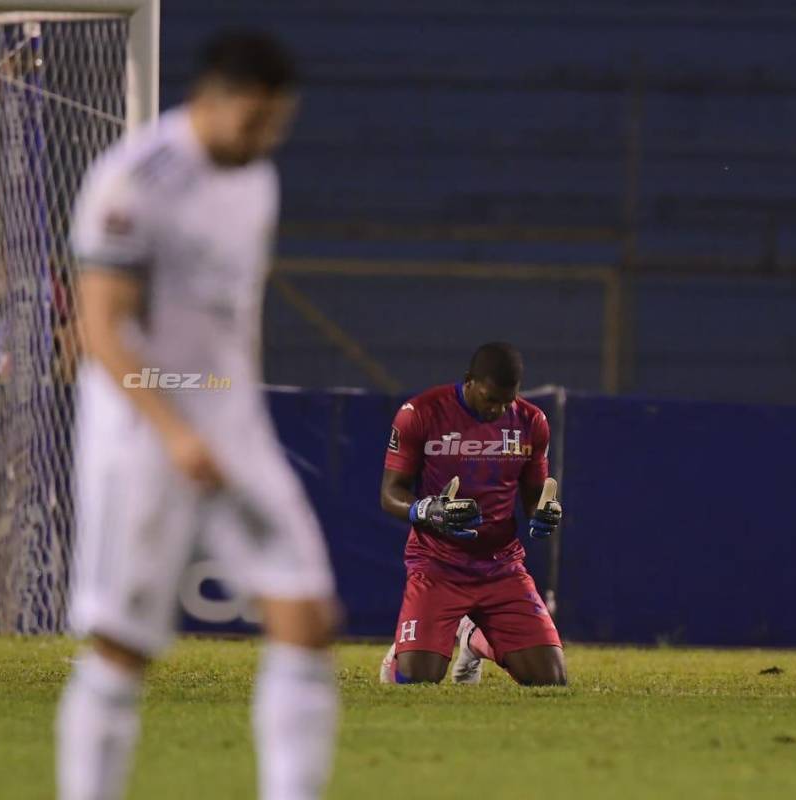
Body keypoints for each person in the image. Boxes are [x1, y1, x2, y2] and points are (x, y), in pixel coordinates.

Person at [56, 31, 339, 800]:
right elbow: (102, 329)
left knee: (307, 614)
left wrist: (233, 418)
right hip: (142, 434)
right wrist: (175, 431)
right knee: (122, 644)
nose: (263, 139)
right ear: (210, 101)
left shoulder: (257, 180)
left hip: (231, 429)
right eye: (253, 121)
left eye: (277, 124)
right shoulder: (132, 182)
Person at [377, 341, 566, 686]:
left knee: (551, 679)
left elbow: (534, 497)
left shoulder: (531, 421)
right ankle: (404, 653)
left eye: (507, 401)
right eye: (490, 399)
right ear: (469, 381)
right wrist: (426, 509)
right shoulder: (419, 413)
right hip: (437, 565)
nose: (498, 410)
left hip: (502, 567)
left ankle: (473, 640)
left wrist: (545, 512)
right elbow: (390, 494)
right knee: (415, 681)